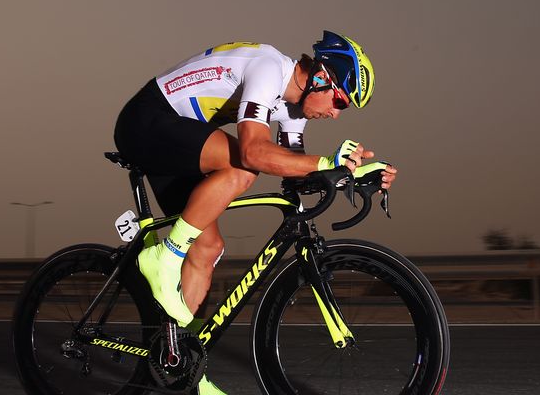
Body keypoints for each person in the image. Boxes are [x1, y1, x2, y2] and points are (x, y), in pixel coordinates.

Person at [113, 30, 397, 394]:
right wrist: (327, 161)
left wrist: (351, 175)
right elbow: (253, 153)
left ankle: (188, 374)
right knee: (244, 166)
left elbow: (297, 172)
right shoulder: (268, 67)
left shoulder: (294, 113)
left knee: (208, 248)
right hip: (147, 121)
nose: (335, 114)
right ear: (322, 77)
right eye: (339, 102)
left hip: (181, 140)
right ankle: (164, 255)